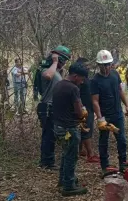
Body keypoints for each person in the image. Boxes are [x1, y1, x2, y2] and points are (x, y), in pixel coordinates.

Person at [91, 50, 128, 175]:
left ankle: (123, 163)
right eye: (104, 65)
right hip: (105, 116)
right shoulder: (95, 81)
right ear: (99, 65)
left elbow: (120, 91)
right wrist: (100, 118)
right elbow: (95, 101)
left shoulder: (115, 75)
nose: (107, 67)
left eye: (108, 64)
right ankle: (104, 166)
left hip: (117, 114)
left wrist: (127, 106)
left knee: (122, 140)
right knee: (104, 141)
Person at [52, 62, 88, 196]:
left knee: (65, 154)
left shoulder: (59, 84)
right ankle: (69, 186)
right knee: (71, 156)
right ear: (75, 76)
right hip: (69, 127)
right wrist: (83, 112)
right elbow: (79, 112)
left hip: (58, 126)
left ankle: (64, 179)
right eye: (82, 78)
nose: (82, 82)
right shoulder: (73, 88)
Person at [37, 45, 71, 170]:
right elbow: (48, 76)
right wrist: (55, 61)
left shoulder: (56, 71)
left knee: (52, 135)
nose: (64, 63)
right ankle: (46, 162)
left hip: (54, 107)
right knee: (48, 135)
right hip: (47, 106)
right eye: (64, 60)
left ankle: (49, 161)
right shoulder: (46, 70)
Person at [76, 58, 99, 163]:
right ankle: (90, 155)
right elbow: (77, 95)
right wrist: (82, 107)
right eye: (86, 65)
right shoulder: (79, 80)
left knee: (82, 129)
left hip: (89, 107)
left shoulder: (86, 78)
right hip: (84, 109)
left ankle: (80, 150)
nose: (88, 67)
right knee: (86, 130)